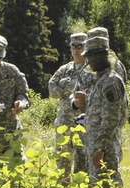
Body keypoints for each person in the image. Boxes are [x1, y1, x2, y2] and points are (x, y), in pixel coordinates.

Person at [73, 35, 128, 188]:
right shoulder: (101, 80)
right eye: (90, 57)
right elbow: (100, 111)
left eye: (94, 56)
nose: (90, 61)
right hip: (94, 146)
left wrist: (101, 148)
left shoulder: (111, 81)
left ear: (103, 57)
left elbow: (112, 119)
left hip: (104, 150)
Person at [48, 32, 91, 177]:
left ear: (86, 47)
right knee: (62, 162)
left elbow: (93, 92)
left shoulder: (91, 69)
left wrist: (65, 85)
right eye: (74, 46)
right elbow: (52, 89)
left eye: (80, 46)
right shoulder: (65, 69)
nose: (77, 50)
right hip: (64, 124)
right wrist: (71, 87)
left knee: (82, 162)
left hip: (83, 124)